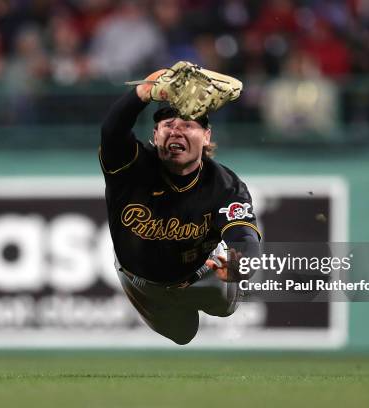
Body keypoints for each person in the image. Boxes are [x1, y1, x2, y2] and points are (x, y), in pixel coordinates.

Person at [99, 69, 261, 345]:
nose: (176, 130)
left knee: (224, 306)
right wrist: (143, 92)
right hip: (141, 281)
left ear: (206, 136)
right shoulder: (130, 166)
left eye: (187, 124)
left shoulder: (224, 185)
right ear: (155, 134)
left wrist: (237, 264)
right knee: (183, 334)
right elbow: (112, 131)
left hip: (201, 273)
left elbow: (245, 238)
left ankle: (219, 288)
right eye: (168, 125)